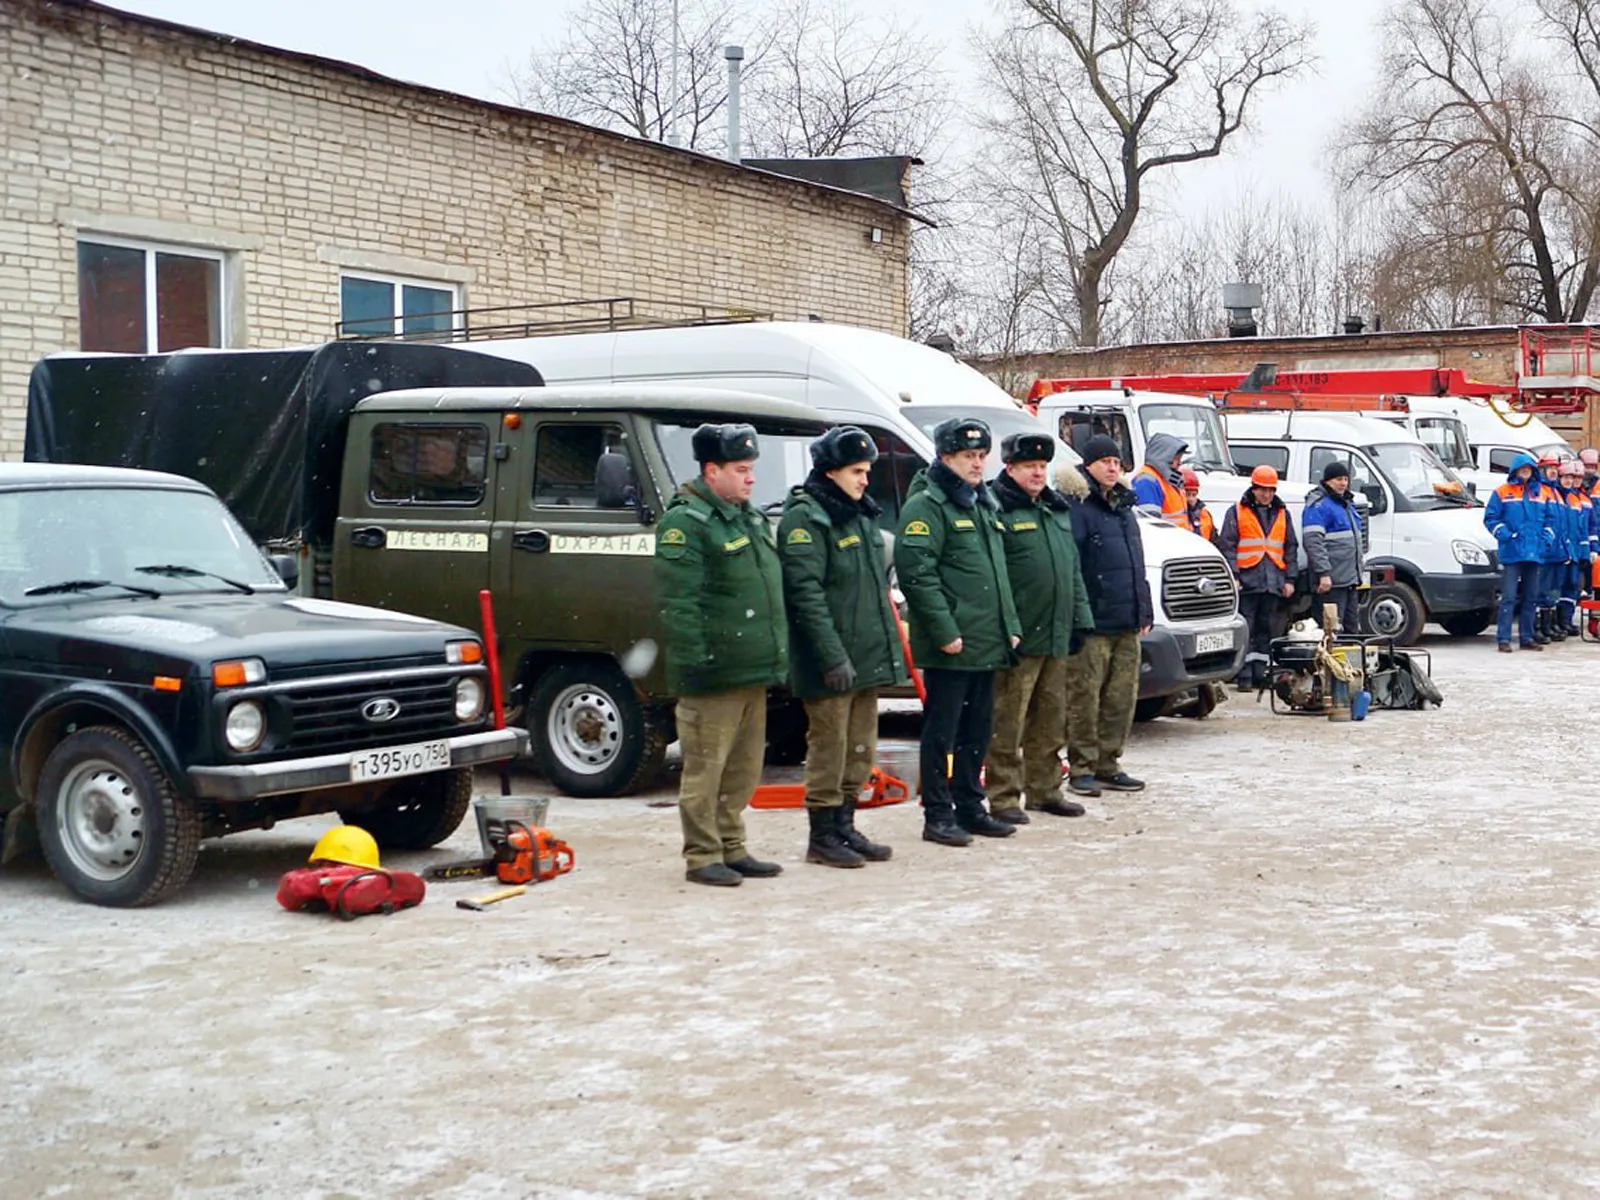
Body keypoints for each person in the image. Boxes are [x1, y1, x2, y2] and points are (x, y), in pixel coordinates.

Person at [655, 423, 788, 887]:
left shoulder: (746, 518)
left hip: (751, 669)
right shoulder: (687, 523)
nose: (751, 479)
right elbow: (680, 603)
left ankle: (732, 845)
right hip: (713, 673)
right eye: (741, 470)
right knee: (706, 770)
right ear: (712, 471)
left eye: (751, 470)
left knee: (743, 769)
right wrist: (697, 663)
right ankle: (702, 854)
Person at [777, 426, 907, 869]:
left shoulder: (859, 514)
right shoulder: (807, 517)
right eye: (856, 471)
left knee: (858, 749)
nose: (865, 479)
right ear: (830, 472)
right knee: (829, 748)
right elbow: (805, 594)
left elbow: (872, 593)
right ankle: (822, 835)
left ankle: (846, 825)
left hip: (866, 657)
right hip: (832, 662)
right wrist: (832, 656)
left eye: (867, 471)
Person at [895, 416, 1022, 847]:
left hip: (986, 638)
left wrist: (1011, 625)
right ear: (945, 457)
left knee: (977, 728)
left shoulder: (981, 503)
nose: (977, 464)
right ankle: (937, 812)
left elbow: (997, 573)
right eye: (969, 456)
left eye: (982, 456)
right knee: (942, 731)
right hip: (951, 643)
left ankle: (970, 805)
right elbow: (917, 575)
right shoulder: (927, 506)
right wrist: (945, 629)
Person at [984, 433, 1095, 824]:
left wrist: (1081, 618)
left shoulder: (1054, 510)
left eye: (1042, 466)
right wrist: (1006, 628)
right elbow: (994, 577)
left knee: (1051, 719)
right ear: (1010, 468)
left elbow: (1072, 571)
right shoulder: (997, 508)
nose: (1037, 473)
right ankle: (1003, 797)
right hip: (1020, 637)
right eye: (1029, 466)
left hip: (1056, 632)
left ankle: (1045, 790)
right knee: (1008, 721)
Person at [1063, 435, 1154, 797]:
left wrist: (1143, 607)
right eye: (1104, 461)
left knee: (1121, 699)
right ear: (1088, 466)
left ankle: (1108, 764)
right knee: (1085, 698)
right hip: (1094, 622)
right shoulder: (1077, 507)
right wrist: (1079, 615)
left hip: (1127, 620)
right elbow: (1073, 566)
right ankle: (1081, 768)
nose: (1113, 467)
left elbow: (1136, 563)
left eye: (1116, 461)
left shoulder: (1124, 508)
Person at [1219, 464, 1299, 691]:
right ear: (1253, 488)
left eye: (1270, 490)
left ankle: (1261, 674)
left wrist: (1290, 579)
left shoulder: (1282, 513)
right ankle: (1243, 675)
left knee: (1266, 631)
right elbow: (1228, 546)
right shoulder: (1236, 511)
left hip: (1272, 581)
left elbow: (1290, 547)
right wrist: (1233, 576)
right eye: (1262, 489)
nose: (1266, 494)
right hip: (1247, 581)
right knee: (1247, 629)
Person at [1484, 452, 1553, 652]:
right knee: (1509, 597)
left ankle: (1526, 638)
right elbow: (1491, 518)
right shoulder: (1502, 492)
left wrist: (1546, 538)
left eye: (1529, 468)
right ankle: (1503, 639)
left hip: (1535, 553)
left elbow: (1551, 519)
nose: (1526, 471)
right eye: (1523, 468)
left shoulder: (1542, 493)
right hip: (1512, 552)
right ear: (1515, 470)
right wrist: (1506, 535)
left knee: (1531, 597)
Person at [1301, 460, 1366, 636]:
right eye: (1339, 479)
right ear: (1327, 481)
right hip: (1331, 583)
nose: (1343, 483)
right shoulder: (1319, 506)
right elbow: (1313, 542)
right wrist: (1323, 573)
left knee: (1352, 631)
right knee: (1330, 631)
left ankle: (1350, 664)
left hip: (1349, 580)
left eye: (1345, 479)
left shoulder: (1345, 504)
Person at [1557, 458, 1596, 638]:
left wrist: (1590, 550)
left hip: (1580, 551)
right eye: (1574, 477)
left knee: (1574, 586)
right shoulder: (1565, 498)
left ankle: (1567, 620)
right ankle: (1557, 622)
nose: (1577, 480)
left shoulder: (1584, 500)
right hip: (1565, 550)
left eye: (1579, 477)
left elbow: (1590, 528)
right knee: (1560, 586)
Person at [1130, 433, 1192, 530]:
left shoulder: (1165, 479)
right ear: (1163, 456)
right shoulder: (1147, 482)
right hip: (1164, 542)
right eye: (1176, 458)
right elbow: (1150, 527)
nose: (1179, 463)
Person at [1536, 452, 1567, 643]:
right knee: (1541, 590)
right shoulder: (1540, 491)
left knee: (1554, 590)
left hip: (1558, 551)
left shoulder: (1556, 493)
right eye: (1550, 468)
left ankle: (1549, 625)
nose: (1554, 472)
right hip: (1546, 551)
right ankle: (1538, 626)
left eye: (1556, 469)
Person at [1182, 467, 1215, 543]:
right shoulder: (1175, 514)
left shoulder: (1205, 514)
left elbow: (1214, 540)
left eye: (1194, 495)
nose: (1191, 499)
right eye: (1187, 494)